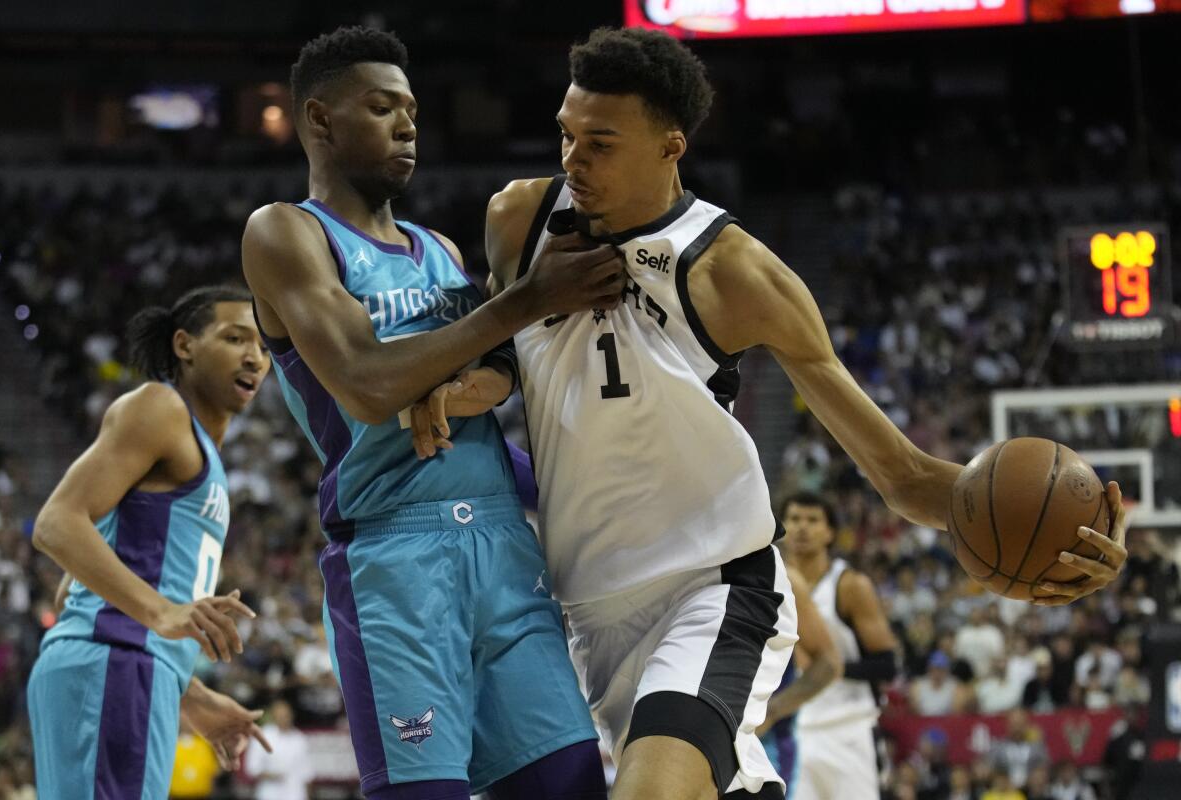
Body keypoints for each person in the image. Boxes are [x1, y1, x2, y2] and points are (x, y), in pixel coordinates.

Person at [411, 26, 1129, 800]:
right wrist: (456, 388)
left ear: (670, 145)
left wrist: (1053, 542)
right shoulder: (518, 219)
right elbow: (508, 362)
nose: (573, 160)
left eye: (601, 143)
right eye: (565, 134)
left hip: (713, 586)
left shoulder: (736, 272)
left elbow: (902, 475)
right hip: (583, 602)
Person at [241, 26, 618, 800]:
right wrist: (527, 300)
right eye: (382, 108)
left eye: (411, 109)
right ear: (319, 120)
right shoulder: (286, 233)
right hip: (395, 558)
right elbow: (368, 385)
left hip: (503, 545)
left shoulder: (440, 249)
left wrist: (451, 389)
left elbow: (502, 369)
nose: (408, 125)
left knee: (573, 781)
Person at [27, 286, 272, 799]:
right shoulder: (161, 408)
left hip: (128, 670)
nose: (256, 356)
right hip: (115, 667)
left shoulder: (201, 457)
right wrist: (163, 614)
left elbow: (74, 587)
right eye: (236, 338)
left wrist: (192, 693)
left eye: (266, 346)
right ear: (185, 345)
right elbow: (56, 523)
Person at [779, 493, 899, 799]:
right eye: (794, 519)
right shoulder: (776, 585)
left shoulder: (849, 585)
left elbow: (887, 664)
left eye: (812, 520)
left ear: (830, 532)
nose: (802, 528)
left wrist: (825, 667)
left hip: (849, 728)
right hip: (798, 728)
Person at [756, 566, 844, 789]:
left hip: (765, 744)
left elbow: (828, 664)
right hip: (698, 730)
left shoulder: (782, 576)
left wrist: (772, 711)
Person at [245, 699, 315, 800]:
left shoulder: (300, 739)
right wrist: (274, 775)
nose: (284, 718)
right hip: (269, 795)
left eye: (286, 715)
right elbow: (252, 768)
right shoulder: (262, 736)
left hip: (296, 795)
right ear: (273, 716)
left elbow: (307, 774)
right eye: (280, 715)